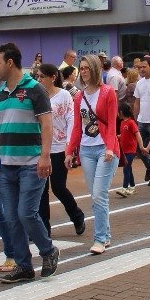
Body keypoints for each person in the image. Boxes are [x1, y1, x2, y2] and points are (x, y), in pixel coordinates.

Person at [0, 42, 60, 283]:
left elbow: (47, 124)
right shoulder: (0, 94)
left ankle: (48, 250)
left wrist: (45, 156)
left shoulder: (35, 89)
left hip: (32, 162)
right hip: (7, 164)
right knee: (11, 217)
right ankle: (24, 265)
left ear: (10, 62)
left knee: (26, 213)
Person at [67, 55, 120, 255]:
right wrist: (70, 151)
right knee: (96, 196)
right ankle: (105, 235)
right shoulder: (79, 96)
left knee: (99, 194)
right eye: (82, 68)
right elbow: (77, 126)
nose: (84, 71)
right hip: (86, 149)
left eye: (87, 67)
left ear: (96, 69)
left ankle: (99, 238)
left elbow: (113, 122)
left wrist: (109, 147)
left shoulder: (107, 92)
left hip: (105, 149)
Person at [35, 63, 86, 236]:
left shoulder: (63, 95)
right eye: (37, 76)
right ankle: (43, 229)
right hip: (41, 148)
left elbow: (71, 118)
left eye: (42, 76)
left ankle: (76, 215)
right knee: (40, 190)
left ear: (53, 77)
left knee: (58, 187)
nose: (39, 79)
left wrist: (69, 145)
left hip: (59, 147)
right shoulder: (35, 95)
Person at [116, 103, 140, 197]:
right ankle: (132, 187)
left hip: (130, 149)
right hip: (124, 149)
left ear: (121, 112)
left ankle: (125, 187)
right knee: (128, 168)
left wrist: (141, 146)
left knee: (126, 168)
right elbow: (125, 134)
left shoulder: (131, 122)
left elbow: (136, 134)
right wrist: (118, 136)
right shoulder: (122, 122)